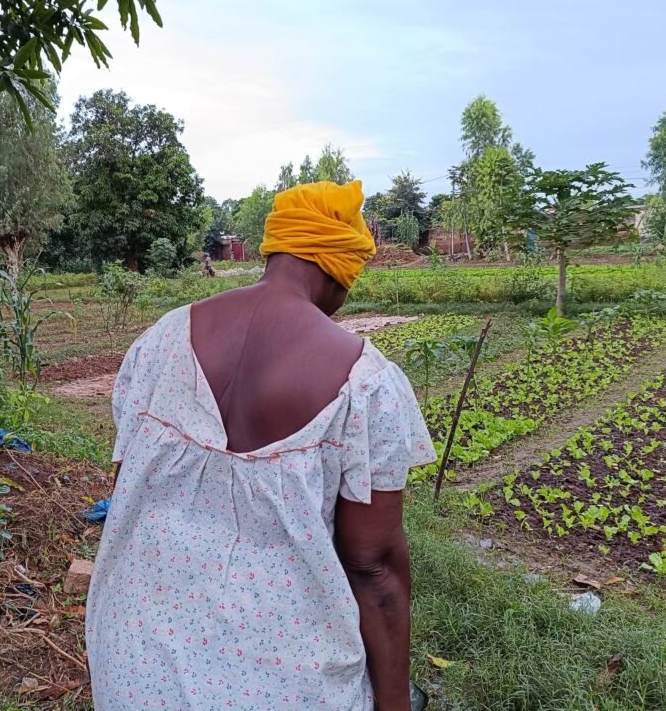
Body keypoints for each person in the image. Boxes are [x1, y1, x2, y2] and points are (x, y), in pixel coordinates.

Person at [87, 180, 435, 711]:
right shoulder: (367, 385)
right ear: (339, 268)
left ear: (275, 248)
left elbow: (128, 494)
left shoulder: (159, 341)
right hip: (285, 682)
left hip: (137, 661)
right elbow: (374, 567)